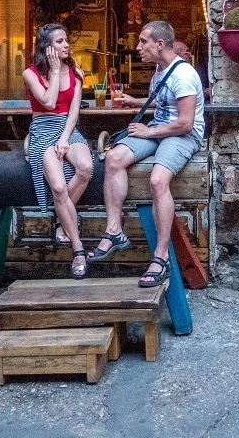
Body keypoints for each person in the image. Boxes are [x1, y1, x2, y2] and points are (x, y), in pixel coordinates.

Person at [89, 20, 205, 288]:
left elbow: (185, 122)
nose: (138, 47)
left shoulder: (184, 74)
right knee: (114, 159)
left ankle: (161, 256)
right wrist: (135, 102)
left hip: (182, 135)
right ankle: (115, 231)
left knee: (157, 180)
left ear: (160, 44)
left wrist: (147, 133)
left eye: (143, 42)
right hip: (157, 129)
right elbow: (163, 103)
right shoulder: (159, 70)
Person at [23, 24, 95, 279]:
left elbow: (73, 111)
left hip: (67, 128)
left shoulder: (76, 72)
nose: (66, 45)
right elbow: (49, 102)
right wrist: (54, 72)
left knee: (86, 167)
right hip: (42, 129)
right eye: (60, 41)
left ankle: (61, 217)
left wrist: (65, 138)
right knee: (59, 188)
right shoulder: (30, 74)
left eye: (66, 41)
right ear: (46, 48)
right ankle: (78, 250)